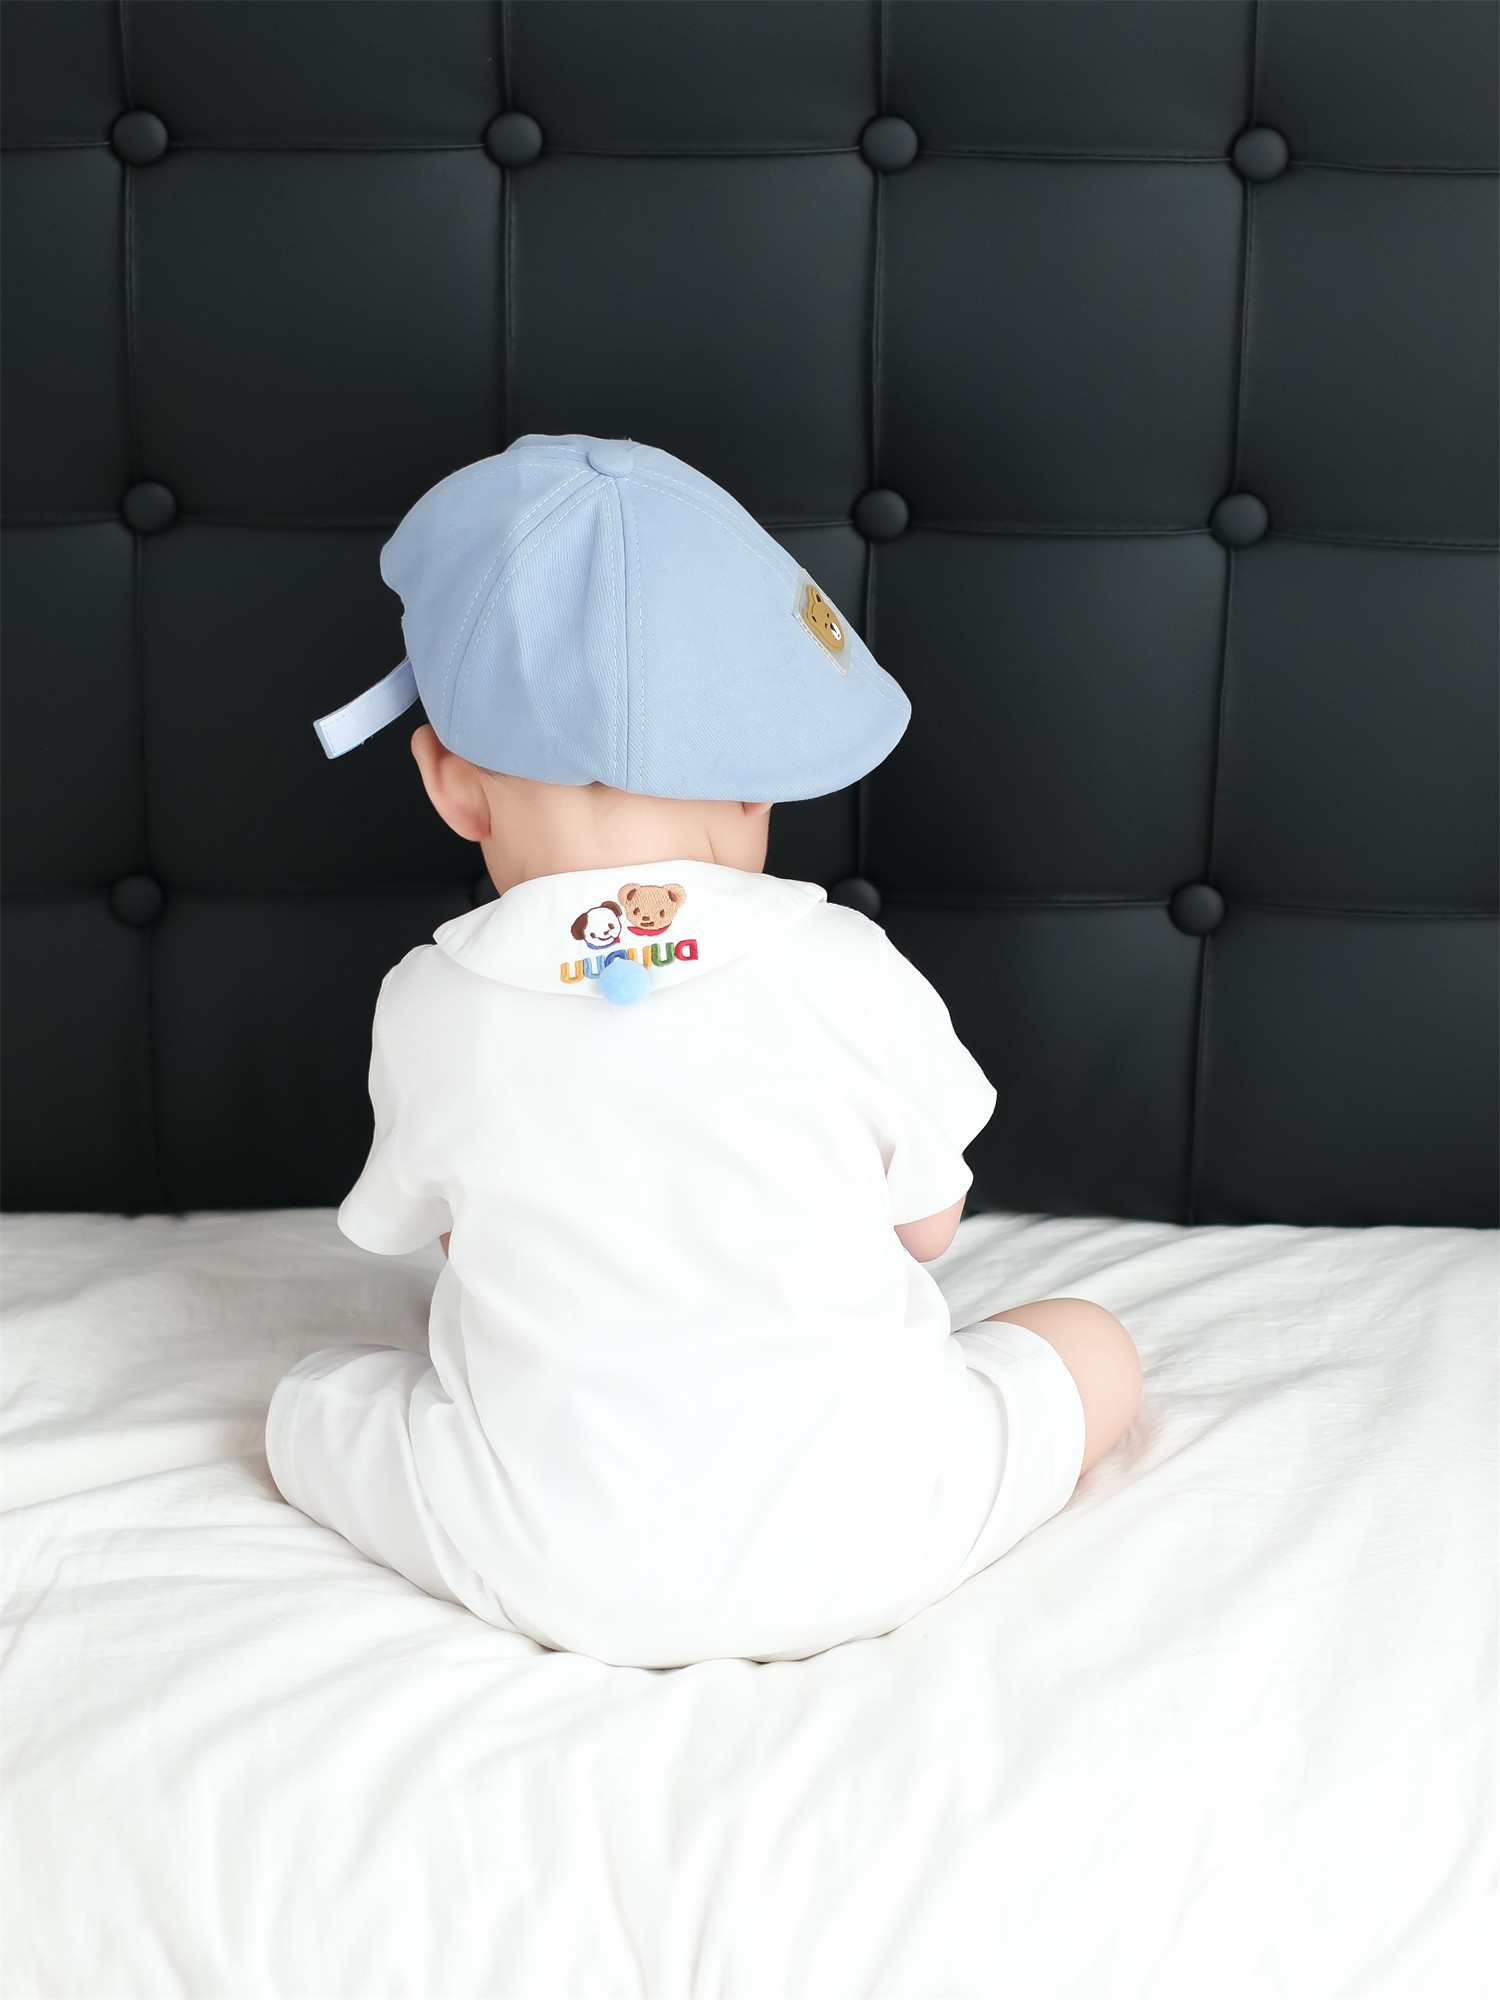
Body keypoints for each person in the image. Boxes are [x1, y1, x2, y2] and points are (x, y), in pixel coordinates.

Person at [266, 435, 1141, 1668]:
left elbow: (452, 1237)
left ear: (453, 786)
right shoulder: (846, 964)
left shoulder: (428, 1000)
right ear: (758, 783)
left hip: (551, 1560)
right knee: (1093, 1343)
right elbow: (929, 1230)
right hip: (875, 1531)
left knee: (307, 1403)